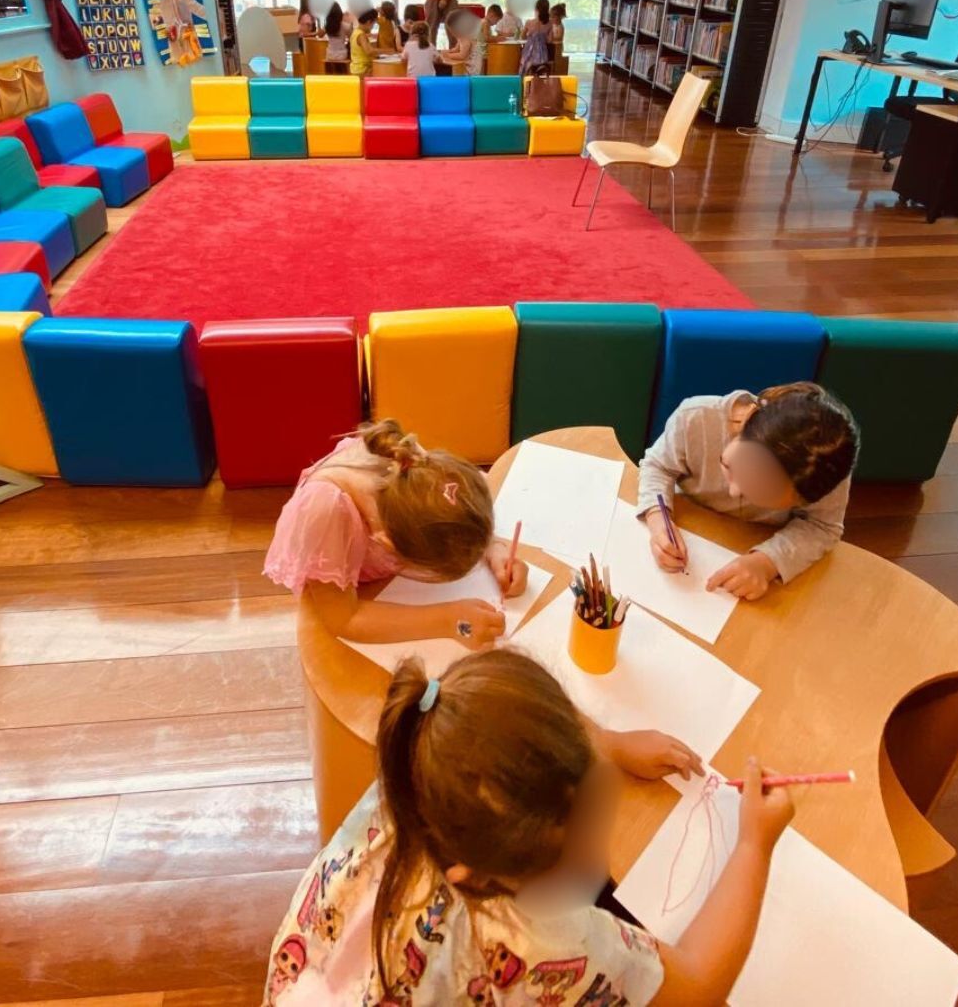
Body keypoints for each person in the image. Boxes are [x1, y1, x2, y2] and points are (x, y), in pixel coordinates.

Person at [263, 648, 792, 1005]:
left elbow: (503, 725)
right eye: (585, 851)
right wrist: (754, 843)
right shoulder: (544, 941)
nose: (602, 863)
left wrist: (606, 743)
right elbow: (698, 987)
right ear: (480, 876)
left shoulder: (422, 771)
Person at [263, 419, 528, 646]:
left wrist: (493, 548)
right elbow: (343, 619)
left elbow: (456, 509)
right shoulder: (325, 515)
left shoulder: (415, 467)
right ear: (386, 545)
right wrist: (449, 620)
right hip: (337, 585)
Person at [638, 382, 859, 600]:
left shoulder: (824, 469)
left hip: (755, 540)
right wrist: (657, 518)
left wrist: (766, 562)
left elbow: (822, 526)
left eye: (763, 496)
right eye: (729, 466)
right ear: (744, 428)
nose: (734, 492)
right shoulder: (696, 419)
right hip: (690, 521)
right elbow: (658, 466)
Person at [520, 0, 553, 74]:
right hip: (542, 54)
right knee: (540, 72)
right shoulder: (550, 23)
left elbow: (522, 37)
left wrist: (530, 36)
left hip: (529, 52)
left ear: (536, 9)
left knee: (526, 70)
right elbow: (549, 40)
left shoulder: (529, 22)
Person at [350, 8, 379, 76]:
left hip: (356, 69)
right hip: (362, 70)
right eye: (373, 24)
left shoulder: (355, 32)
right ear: (368, 22)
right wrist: (387, 51)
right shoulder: (361, 35)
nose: (372, 27)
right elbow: (369, 51)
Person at [324, 3, 349, 68]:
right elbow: (352, 37)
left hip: (329, 54)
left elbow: (320, 34)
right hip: (342, 55)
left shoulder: (327, 27)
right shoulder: (344, 26)